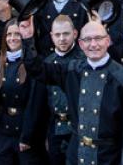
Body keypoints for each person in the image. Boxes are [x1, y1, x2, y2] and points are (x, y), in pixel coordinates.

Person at [23, 19, 123, 165]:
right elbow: (38, 70)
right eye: (87, 40)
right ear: (80, 44)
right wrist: (28, 39)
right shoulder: (72, 70)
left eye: (98, 38)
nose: (93, 44)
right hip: (76, 154)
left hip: (109, 157)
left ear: (108, 41)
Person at [0, 20, 46, 165]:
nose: (12, 38)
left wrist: (27, 136)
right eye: (9, 34)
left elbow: (35, 102)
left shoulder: (33, 63)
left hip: (26, 131)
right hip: (4, 130)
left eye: (17, 34)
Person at [41, 16, 84, 165]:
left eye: (66, 34)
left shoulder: (83, 59)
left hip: (78, 128)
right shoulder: (47, 62)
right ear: (51, 36)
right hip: (55, 128)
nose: (62, 39)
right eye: (57, 35)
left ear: (75, 33)